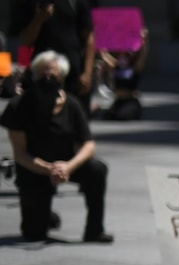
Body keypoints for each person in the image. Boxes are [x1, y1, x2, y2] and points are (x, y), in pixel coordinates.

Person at [0, 50, 112, 243]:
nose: (48, 79)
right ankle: (45, 214)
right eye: (43, 75)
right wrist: (48, 168)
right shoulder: (19, 106)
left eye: (53, 75)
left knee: (97, 169)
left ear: (62, 78)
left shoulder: (72, 105)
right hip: (34, 168)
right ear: (34, 76)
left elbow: (88, 144)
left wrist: (68, 167)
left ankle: (94, 229)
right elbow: (20, 154)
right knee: (33, 234)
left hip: (67, 165)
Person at [17, 0, 96, 111]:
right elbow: (25, 40)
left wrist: (88, 73)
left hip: (73, 76)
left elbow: (89, 37)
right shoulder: (30, 4)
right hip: (42, 75)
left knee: (76, 119)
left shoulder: (76, 2)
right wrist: (40, 18)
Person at [98, 27, 149, 121]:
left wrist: (144, 41)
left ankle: (135, 110)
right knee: (108, 116)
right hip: (118, 101)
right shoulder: (115, 65)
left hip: (130, 101)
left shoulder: (134, 67)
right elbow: (104, 55)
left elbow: (143, 55)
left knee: (123, 116)